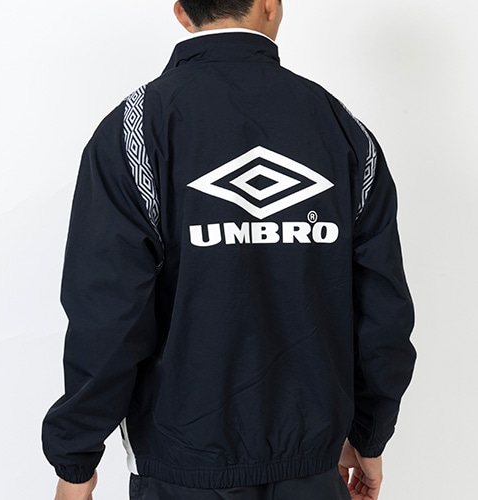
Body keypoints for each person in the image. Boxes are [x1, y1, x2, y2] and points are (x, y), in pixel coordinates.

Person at [42, 1, 416, 499]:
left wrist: (76, 464)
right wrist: (368, 436)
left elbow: (107, 316)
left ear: (182, 12)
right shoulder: (343, 132)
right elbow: (384, 312)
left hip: (180, 473)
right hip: (311, 469)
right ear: (270, 6)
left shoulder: (134, 134)